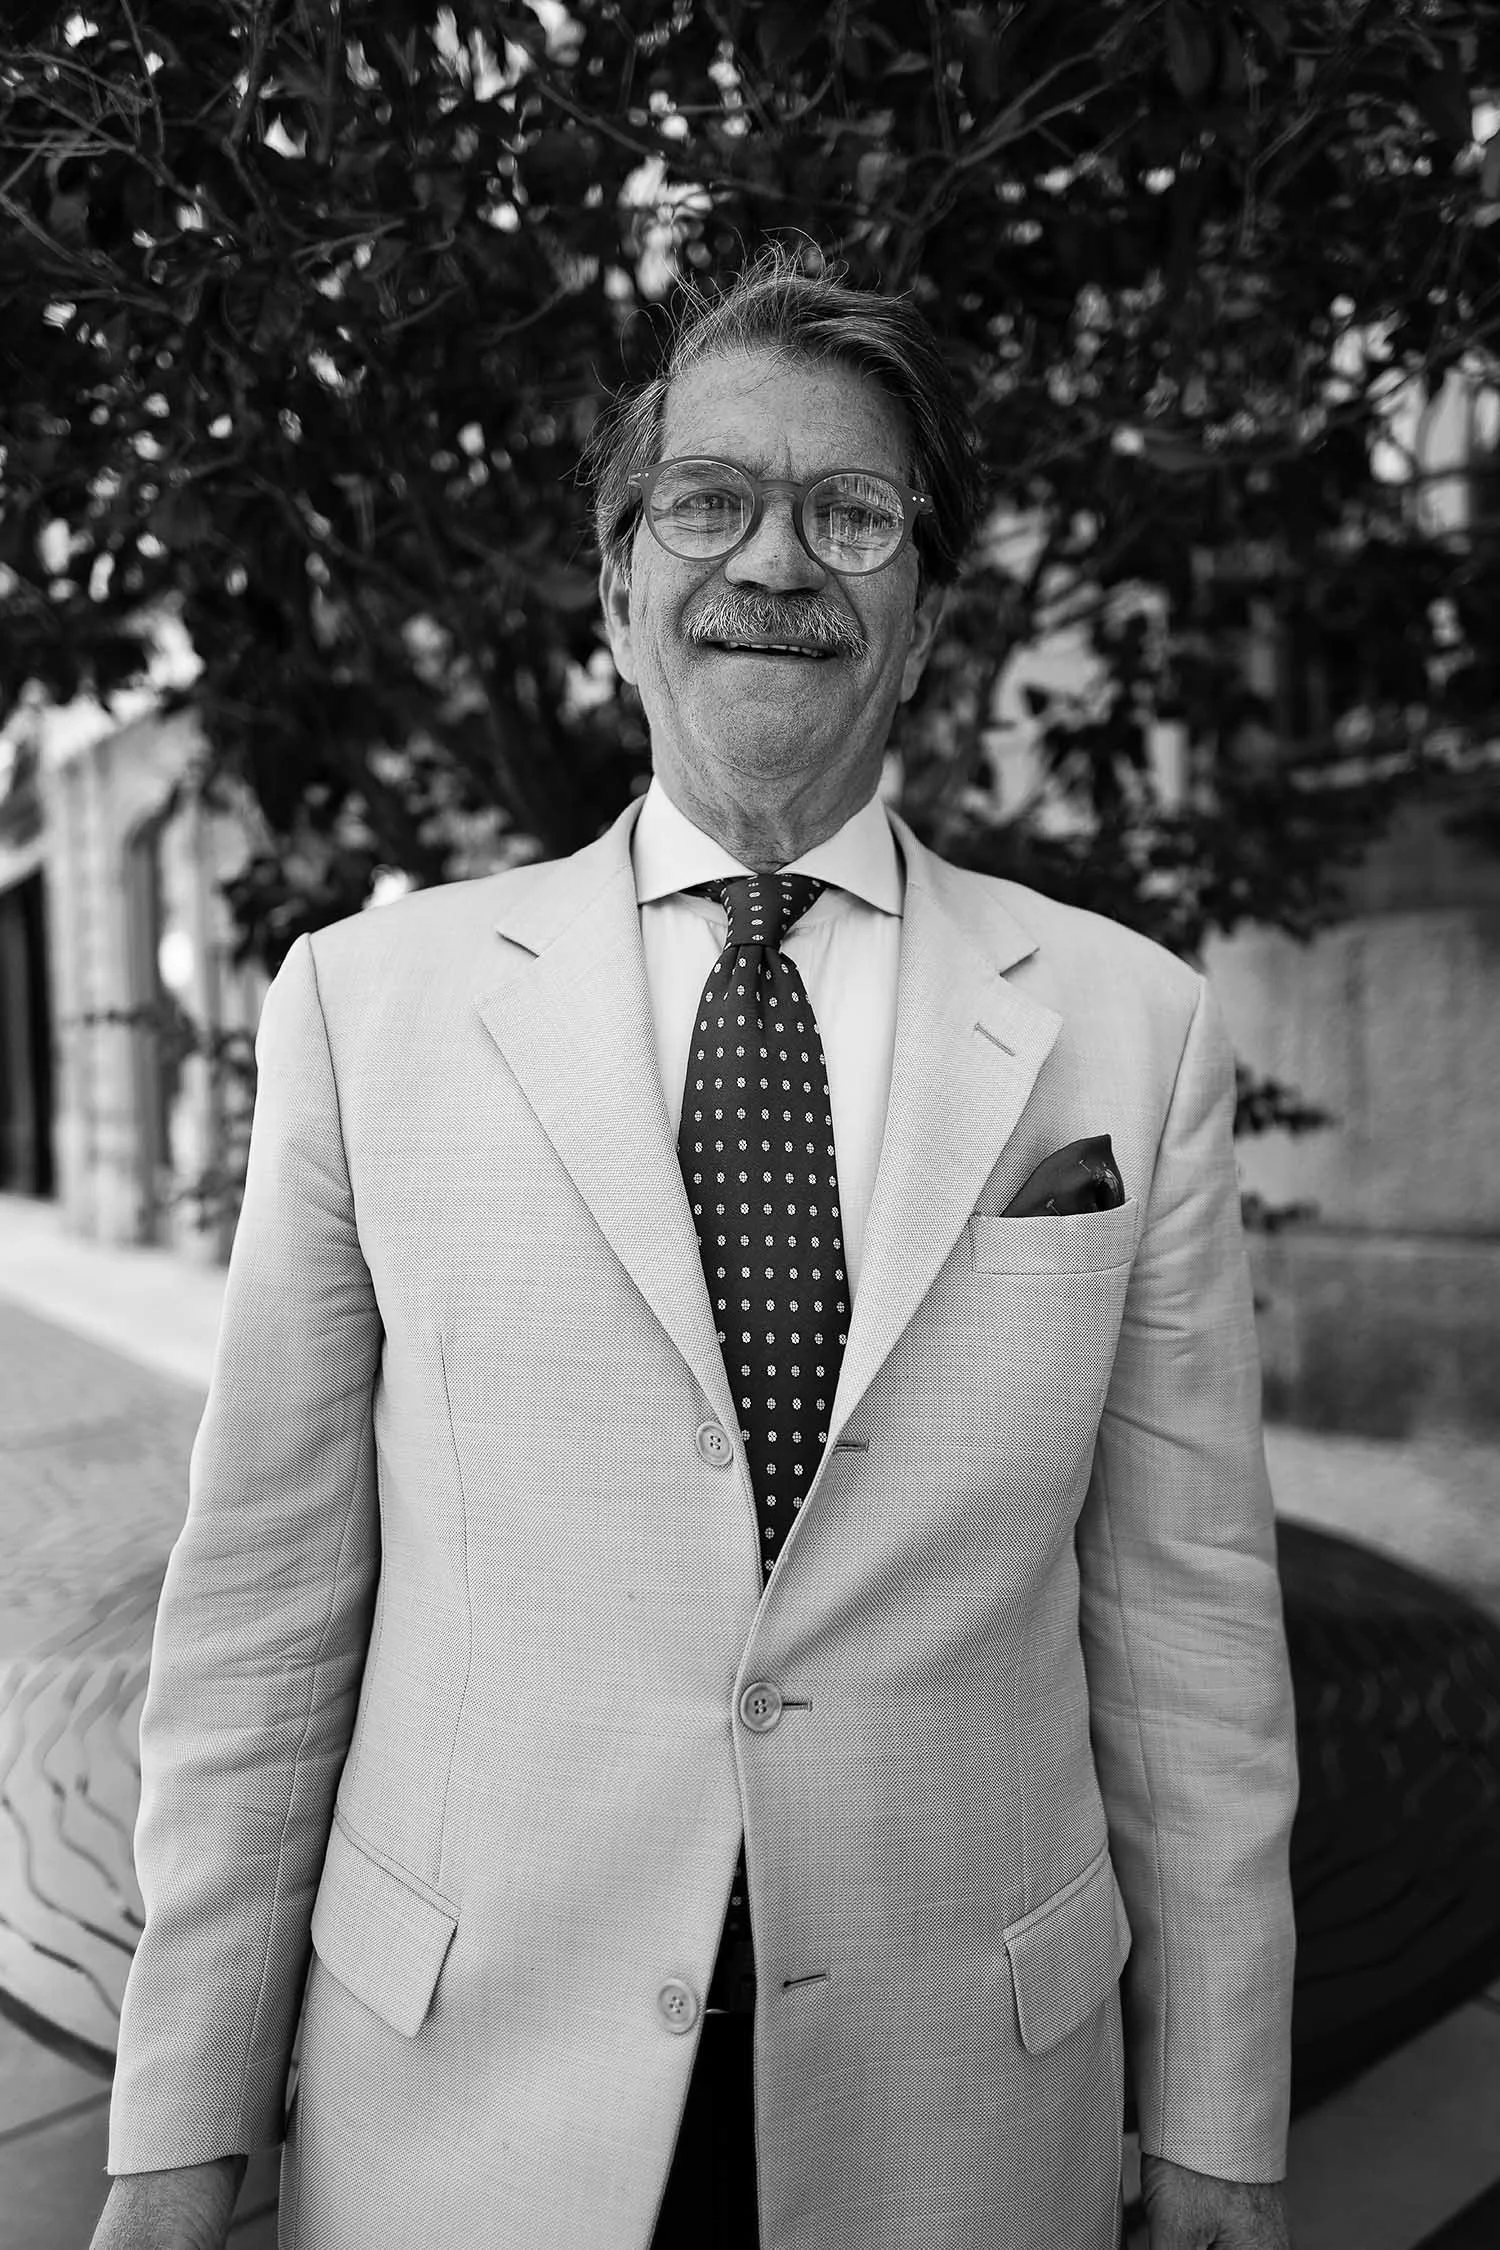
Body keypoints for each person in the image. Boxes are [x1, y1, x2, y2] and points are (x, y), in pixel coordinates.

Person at [92, 251, 1297, 2250]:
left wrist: (1226, 2113)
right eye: (709, 502)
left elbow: (1184, 1615)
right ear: (616, 591)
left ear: (926, 618)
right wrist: (183, 2105)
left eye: (852, 514)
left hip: (960, 2108)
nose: (776, 561)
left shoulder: (1130, 1030)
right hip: (468, 2096)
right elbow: (266, 1609)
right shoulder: (362, 1006)